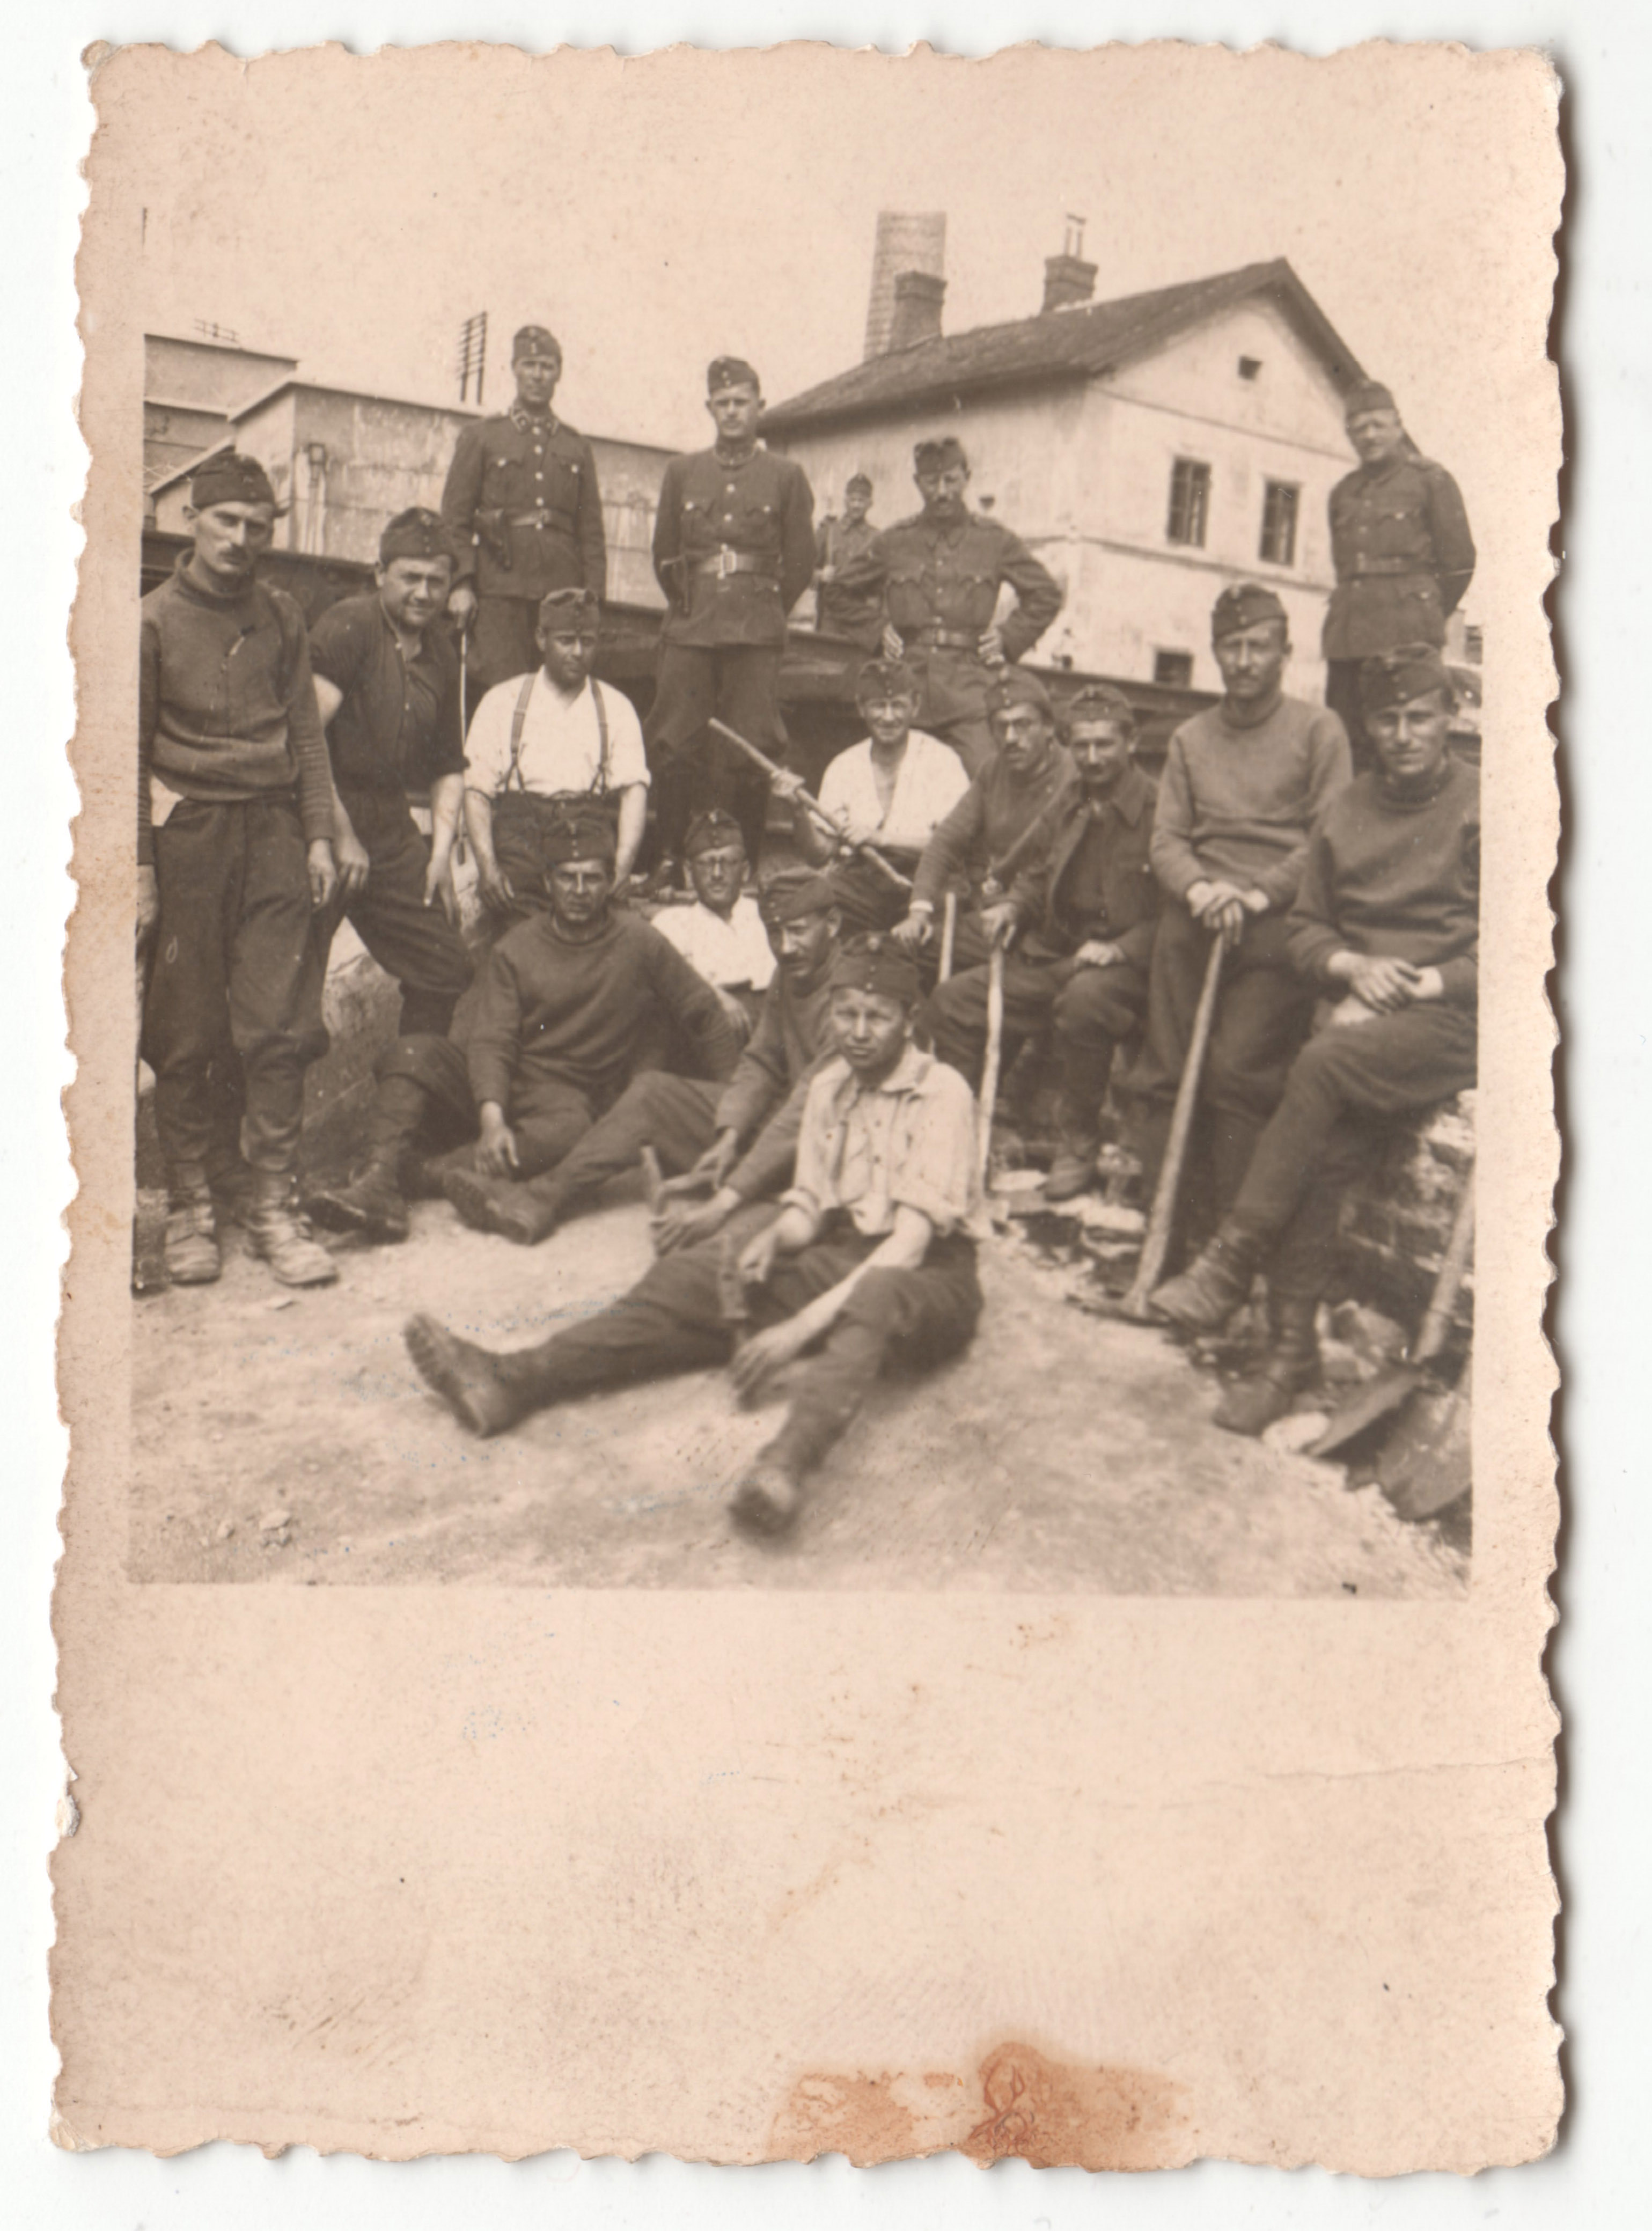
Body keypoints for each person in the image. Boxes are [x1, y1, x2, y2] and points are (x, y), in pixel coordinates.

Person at [403, 933, 987, 1539]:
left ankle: (785, 1466)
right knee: (694, 1277)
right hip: (845, 1253)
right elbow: (811, 1211)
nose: (859, 1032)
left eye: (878, 1017)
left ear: (909, 1020)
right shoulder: (829, 1086)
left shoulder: (942, 1092)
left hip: (927, 1279)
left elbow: (908, 1247)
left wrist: (797, 1330)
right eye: (846, 1014)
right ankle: (514, 1378)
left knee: (874, 1295)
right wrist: (775, 1240)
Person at [1150, 648, 1479, 1435]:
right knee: (1321, 1156)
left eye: (1419, 718)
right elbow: (1304, 928)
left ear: (1449, 718)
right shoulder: (1349, 807)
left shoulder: (1486, 805)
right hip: (1361, 1016)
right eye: (1387, 720)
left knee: (1322, 1061)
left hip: (1450, 1014)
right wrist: (1350, 967)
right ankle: (1288, 1355)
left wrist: (1415, 984)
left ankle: (1231, 1261)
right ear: (1368, 726)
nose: (1403, 734)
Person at [305, 813, 736, 1247]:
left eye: (591, 879)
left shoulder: (640, 941)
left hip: (563, 1097)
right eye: (567, 878)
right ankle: (379, 1180)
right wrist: (492, 1119)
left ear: (610, 882)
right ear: (547, 882)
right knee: (413, 1052)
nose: (579, 890)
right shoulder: (517, 947)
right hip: (502, 1083)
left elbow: (704, 1012)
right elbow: (493, 1040)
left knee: (571, 1132)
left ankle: (419, 1175)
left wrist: (732, 1107)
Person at [137, 451, 339, 1289]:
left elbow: (307, 737)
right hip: (188, 835)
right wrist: (140, 868)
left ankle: (271, 1208)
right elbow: (125, 754)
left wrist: (319, 837)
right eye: (225, 521)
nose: (240, 539)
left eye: (257, 527)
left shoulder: (282, 615)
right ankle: (191, 1207)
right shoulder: (152, 621)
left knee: (278, 1026)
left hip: (274, 835)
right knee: (185, 1030)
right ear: (191, 518)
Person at [1129, 582, 1352, 1239]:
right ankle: (1164, 1232)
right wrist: (1200, 891)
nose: (1245, 660)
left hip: (1277, 918)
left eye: (1259, 646)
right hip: (1197, 913)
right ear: (1215, 652)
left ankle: (1229, 1248)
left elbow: (1327, 838)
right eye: (1232, 647)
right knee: (1164, 1069)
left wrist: (1254, 894)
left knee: (1236, 1073)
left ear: (1286, 653)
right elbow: (1167, 839)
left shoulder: (1318, 730)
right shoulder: (1190, 738)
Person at [481, 867, 844, 1251]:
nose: (785, 947)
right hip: (788, 1120)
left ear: (833, 924)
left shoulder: (851, 1000)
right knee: (652, 1093)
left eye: (798, 931)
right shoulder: (793, 973)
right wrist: (730, 1134)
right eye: (774, 933)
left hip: (827, 1144)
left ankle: (529, 1192)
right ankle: (541, 1197)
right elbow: (762, 1062)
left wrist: (724, 1203)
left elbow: (806, 1111)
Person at [927, 685, 1158, 1199]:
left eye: (1104, 744)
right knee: (953, 1001)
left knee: (1084, 1002)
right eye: (1082, 746)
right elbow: (1038, 871)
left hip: (1123, 968)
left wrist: (1121, 949)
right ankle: (960, 1132)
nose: (1092, 758)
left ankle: (1078, 1143)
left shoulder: (1157, 809)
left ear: (1131, 743)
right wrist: (1013, 906)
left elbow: (1172, 912)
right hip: (1056, 954)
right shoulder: (1071, 800)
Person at [305, 507, 473, 1039]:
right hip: (318, 815)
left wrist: (440, 855)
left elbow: (448, 765)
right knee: (289, 998)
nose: (424, 593)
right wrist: (339, 834)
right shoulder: (350, 625)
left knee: (444, 966)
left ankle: (408, 1086)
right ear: (380, 573)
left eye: (437, 581)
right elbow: (305, 738)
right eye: (410, 578)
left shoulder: (441, 652)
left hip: (390, 825)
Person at [645, 357, 816, 876]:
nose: (732, 411)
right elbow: (664, 554)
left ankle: (746, 866)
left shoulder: (786, 476)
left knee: (752, 746)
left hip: (755, 629)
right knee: (674, 741)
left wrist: (763, 611)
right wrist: (690, 605)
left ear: (760, 407)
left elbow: (800, 561)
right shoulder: (682, 472)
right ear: (709, 408)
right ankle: (671, 857)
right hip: (692, 625)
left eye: (742, 402)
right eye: (723, 403)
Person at [831, 435, 1063, 777]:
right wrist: (877, 631)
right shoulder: (895, 541)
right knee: (896, 779)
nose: (941, 492)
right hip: (906, 689)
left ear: (967, 478)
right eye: (931, 482)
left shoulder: (994, 541)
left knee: (988, 776)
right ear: (917, 483)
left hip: (969, 693)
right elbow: (838, 592)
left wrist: (1009, 637)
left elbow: (1046, 594)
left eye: (951, 480)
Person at [440, 324, 606, 707]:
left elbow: (592, 533)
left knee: (557, 696)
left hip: (562, 592)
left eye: (547, 366)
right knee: (500, 691)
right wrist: (461, 583)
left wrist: (592, 599)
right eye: (529, 365)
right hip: (499, 590)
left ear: (559, 373)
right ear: (514, 368)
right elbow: (455, 519)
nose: (537, 375)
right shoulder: (482, 437)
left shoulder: (576, 447)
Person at [461, 586, 650, 916]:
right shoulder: (503, 700)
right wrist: (488, 868)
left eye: (587, 642)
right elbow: (476, 790)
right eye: (566, 641)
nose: (577, 652)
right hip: (521, 850)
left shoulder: (616, 707)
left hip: (590, 846)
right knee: (520, 935)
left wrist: (622, 866)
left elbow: (635, 791)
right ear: (541, 639)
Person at [1322, 381, 1475, 774]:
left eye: (1377, 424)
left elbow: (1459, 562)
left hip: (1406, 636)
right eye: (1359, 428)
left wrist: (1423, 613)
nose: (1369, 435)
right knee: (1347, 743)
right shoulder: (1344, 493)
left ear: (1398, 425)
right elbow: (1345, 567)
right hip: (1348, 640)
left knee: (1404, 744)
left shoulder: (1430, 481)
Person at [890, 668, 1076, 978]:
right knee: (904, 950)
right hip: (994, 917)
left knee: (958, 991)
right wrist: (919, 910)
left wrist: (1014, 906)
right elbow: (947, 840)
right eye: (1001, 727)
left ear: (1048, 727)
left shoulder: (1074, 777)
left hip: (1048, 923)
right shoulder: (993, 771)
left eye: (1023, 725)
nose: (1011, 739)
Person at [777, 658, 971, 933]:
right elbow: (820, 855)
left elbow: (956, 846)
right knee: (805, 902)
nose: (888, 717)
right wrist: (798, 812)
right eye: (879, 705)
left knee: (932, 925)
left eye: (898, 705)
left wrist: (881, 838)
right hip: (863, 881)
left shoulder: (941, 760)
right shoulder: (844, 765)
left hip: (927, 879)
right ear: (861, 707)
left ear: (915, 706)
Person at [650, 806, 775, 1043]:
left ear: (745, 871)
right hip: (707, 1037)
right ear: (688, 872)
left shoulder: (767, 916)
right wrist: (713, 996)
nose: (717, 874)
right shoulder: (674, 923)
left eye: (728, 863)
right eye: (707, 864)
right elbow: (663, 981)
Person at [812, 472, 882, 647]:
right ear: (845, 501)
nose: (856, 505)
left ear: (870, 503)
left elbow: (882, 580)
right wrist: (820, 576)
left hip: (861, 618)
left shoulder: (876, 538)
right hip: (830, 618)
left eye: (861, 501)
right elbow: (802, 570)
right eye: (852, 500)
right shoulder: (828, 532)